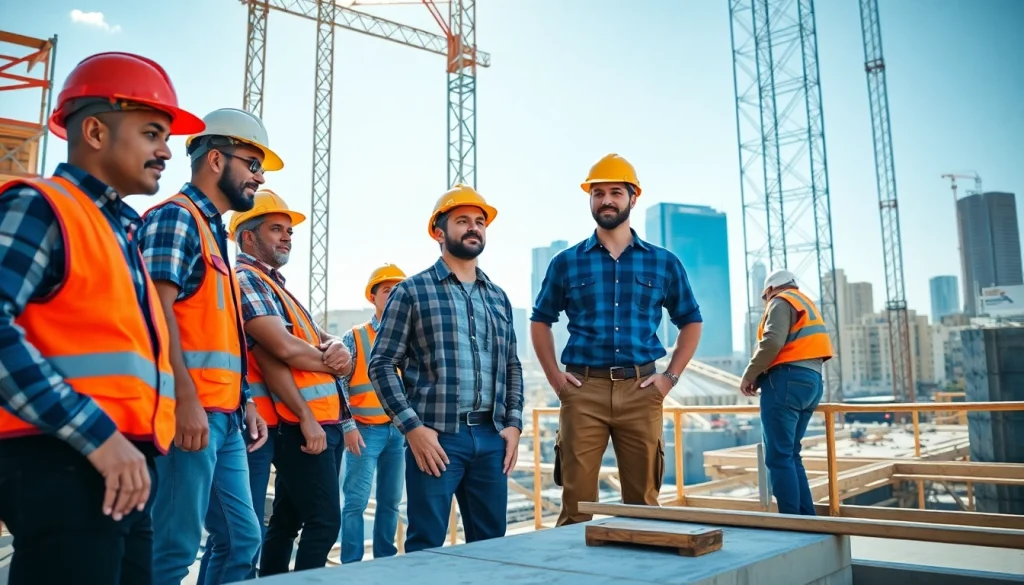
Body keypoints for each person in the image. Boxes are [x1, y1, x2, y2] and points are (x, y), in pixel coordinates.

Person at [0, 51, 204, 585]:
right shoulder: (42, 206)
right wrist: (98, 437)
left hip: (123, 462)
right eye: (152, 133)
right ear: (94, 131)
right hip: (66, 459)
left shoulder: (120, 231)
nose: (166, 151)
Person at [138, 107, 279, 585]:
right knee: (173, 548)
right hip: (188, 416)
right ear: (216, 160)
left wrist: (245, 400)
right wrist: (184, 400)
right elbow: (155, 317)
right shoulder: (176, 219)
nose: (259, 177)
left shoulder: (212, 231)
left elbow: (217, 333)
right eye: (253, 164)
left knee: (242, 541)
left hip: (226, 416)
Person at [530, 153, 703, 527]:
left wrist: (669, 379)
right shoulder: (566, 262)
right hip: (583, 391)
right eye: (598, 193)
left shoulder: (663, 262)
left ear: (633, 198)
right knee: (576, 508)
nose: (606, 200)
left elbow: (691, 321)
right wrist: (557, 380)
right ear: (590, 200)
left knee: (643, 506)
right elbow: (540, 321)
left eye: (615, 193)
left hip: (642, 391)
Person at [368, 184, 524, 553]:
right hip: (437, 438)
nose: (473, 228)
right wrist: (413, 428)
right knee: (427, 546)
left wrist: (514, 424)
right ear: (439, 233)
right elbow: (382, 363)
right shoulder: (412, 292)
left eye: (479, 222)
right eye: (462, 221)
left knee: (492, 548)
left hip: (492, 437)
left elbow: (512, 365)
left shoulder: (498, 297)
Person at [226, 189, 355, 574]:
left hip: (314, 419)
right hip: (291, 421)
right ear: (248, 236)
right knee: (322, 522)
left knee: (286, 519)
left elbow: (316, 338)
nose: (287, 237)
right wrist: (335, 366)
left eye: (289, 231)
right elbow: (280, 350)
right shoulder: (247, 279)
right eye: (276, 229)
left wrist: (340, 349)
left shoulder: (277, 285)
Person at [740, 269, 833, 516]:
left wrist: (750, 374)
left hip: (786, 381)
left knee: (778, 457)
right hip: (813, 382)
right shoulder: (805, 303)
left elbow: (772, 342)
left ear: (771, 289)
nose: (766, 301)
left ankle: (791, 523)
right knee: (791, 454)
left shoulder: (780, 301)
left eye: (765, 296)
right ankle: (806, 521)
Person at [339, 264, 408, 563]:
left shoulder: (410, 337)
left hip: (398, 433)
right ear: (373, 297)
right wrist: (347, 426)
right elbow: (340, 384)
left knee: (391, 502)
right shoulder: (355, 337)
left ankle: (385, 561)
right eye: (387, 290)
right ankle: (352, 566)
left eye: (399, 291)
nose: (393, 296)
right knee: (355, 502)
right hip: (364, 432)